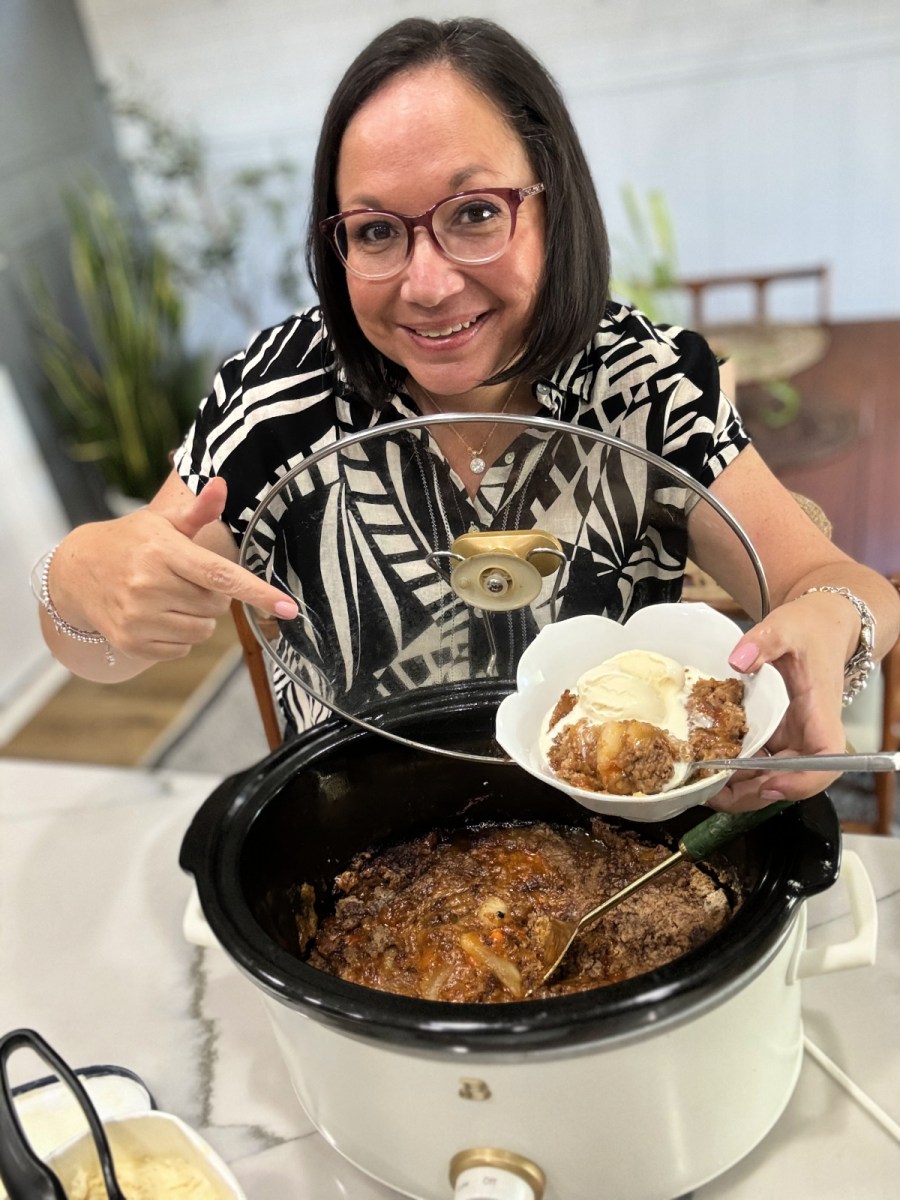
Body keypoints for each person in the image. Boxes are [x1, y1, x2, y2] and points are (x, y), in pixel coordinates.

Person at [34, 16, 900, 812]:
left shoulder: (648, 381)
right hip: (352, 851)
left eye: (476, 213)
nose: (429, 283)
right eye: (376, 231)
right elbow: (102, 646)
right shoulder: (272, 401)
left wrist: (833, 625)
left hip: (616, 846)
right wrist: (76, 579)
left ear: (553, 205)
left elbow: (837, 584)